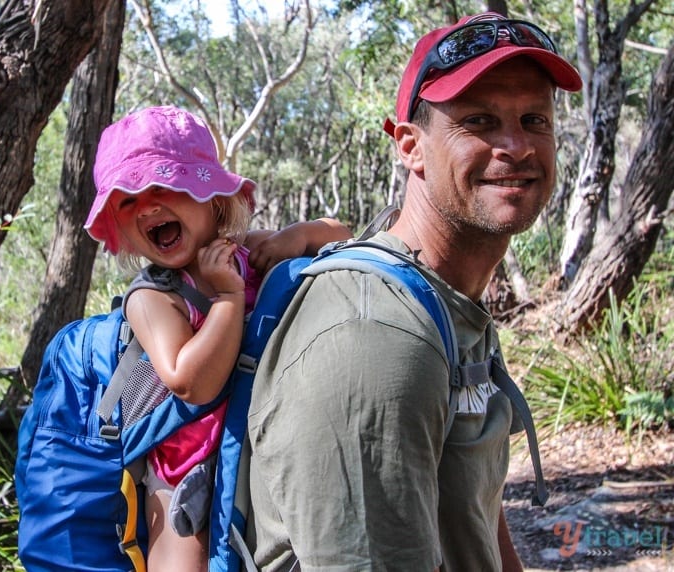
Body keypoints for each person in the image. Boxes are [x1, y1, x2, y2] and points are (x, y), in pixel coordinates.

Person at [245, 12, 582, 571]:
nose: (516, 146)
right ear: (410, 146)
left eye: (534, 119)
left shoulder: (447, 303)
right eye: (479, 121)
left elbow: (471, 515)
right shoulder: (373, 336)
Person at [84, 105, 351, 571]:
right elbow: (192, 382)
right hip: (185, 470)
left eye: (164, 184)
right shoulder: (154, 298)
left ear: (211, 196)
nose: (147, 204)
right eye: (128, 200)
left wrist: (297, 235)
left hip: (259, 444)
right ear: (122, 226)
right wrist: (228, 296)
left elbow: (341, 235)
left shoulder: (245, 252)